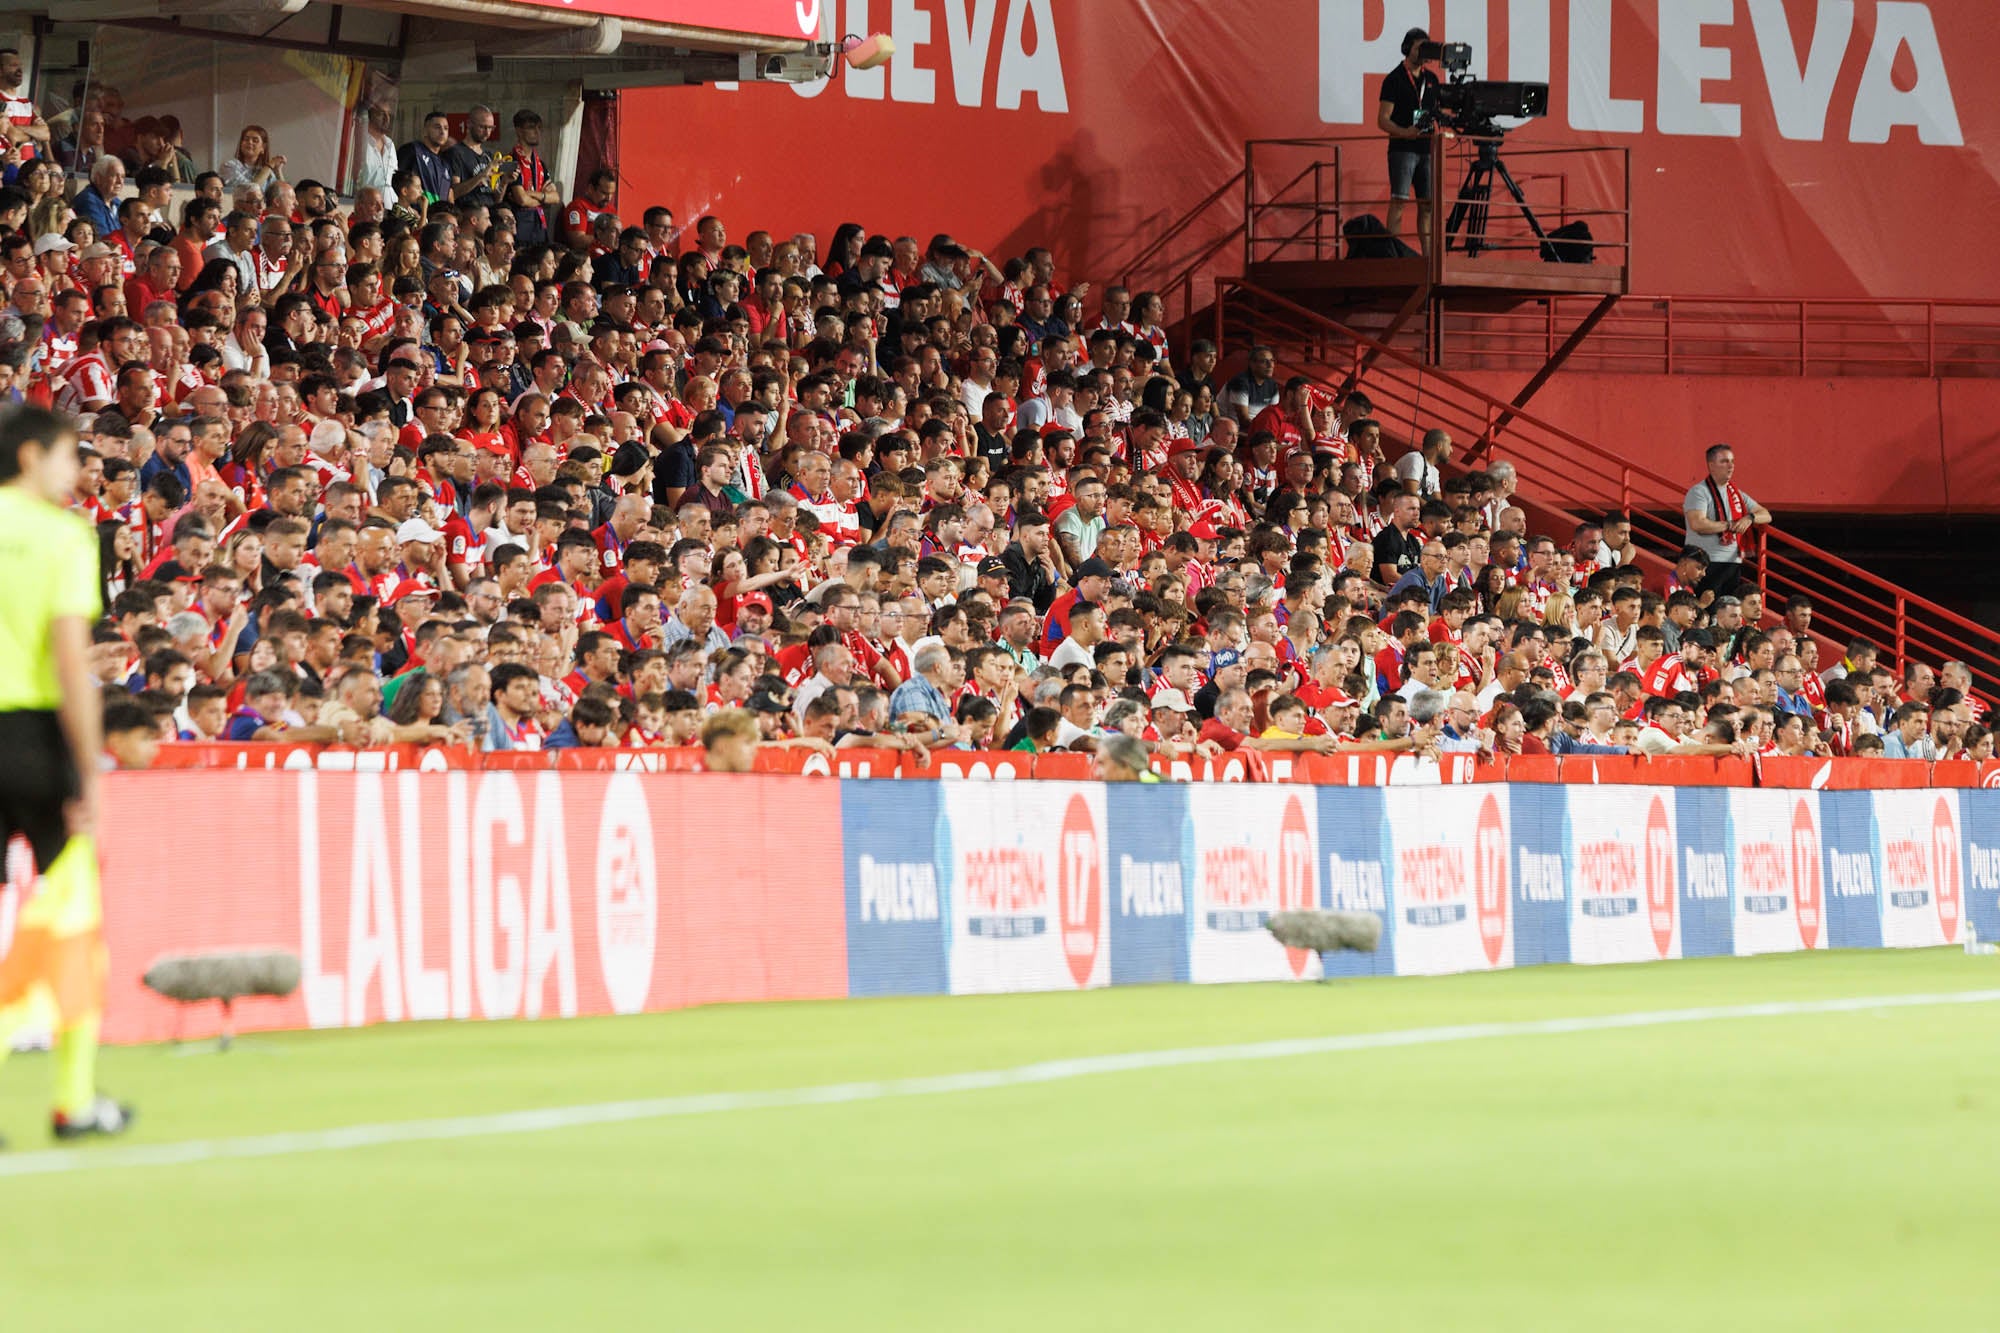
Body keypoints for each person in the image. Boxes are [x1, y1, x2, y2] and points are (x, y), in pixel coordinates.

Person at [0, 406, 134, 1140]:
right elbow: (66, 659)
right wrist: (89, 767)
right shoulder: (62, 536)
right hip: (30, 738)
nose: (75, 471)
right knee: (74, 917)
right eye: (65, 456)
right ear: (29, 455)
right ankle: (73, 1099)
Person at [1682, 443, 1770, 599]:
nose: (1731, 466)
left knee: (1728, 609)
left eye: (1732, 461)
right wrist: (1729, 525)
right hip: (1705, 564)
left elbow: (1766, 515)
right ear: (1711, 465)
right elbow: (1697, 523)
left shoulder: (1736, 493)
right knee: (1706, 610)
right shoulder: (1699, 491)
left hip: (1733, 563)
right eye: (1724, 461)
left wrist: (1749, 518)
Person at [1377, 28, 1440, 244]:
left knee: (1427, 206)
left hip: (1427, 149)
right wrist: (1406, 133)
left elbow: (1438, 112)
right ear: (1407, 48)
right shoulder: (1394, 79)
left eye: (1426, 48)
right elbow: (1382, 120)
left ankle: (1429, 259)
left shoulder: (1432, 79)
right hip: (1402, 149)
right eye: (1419, 47)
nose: (1423, 52)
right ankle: (1393, 256)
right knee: (1399, 202)